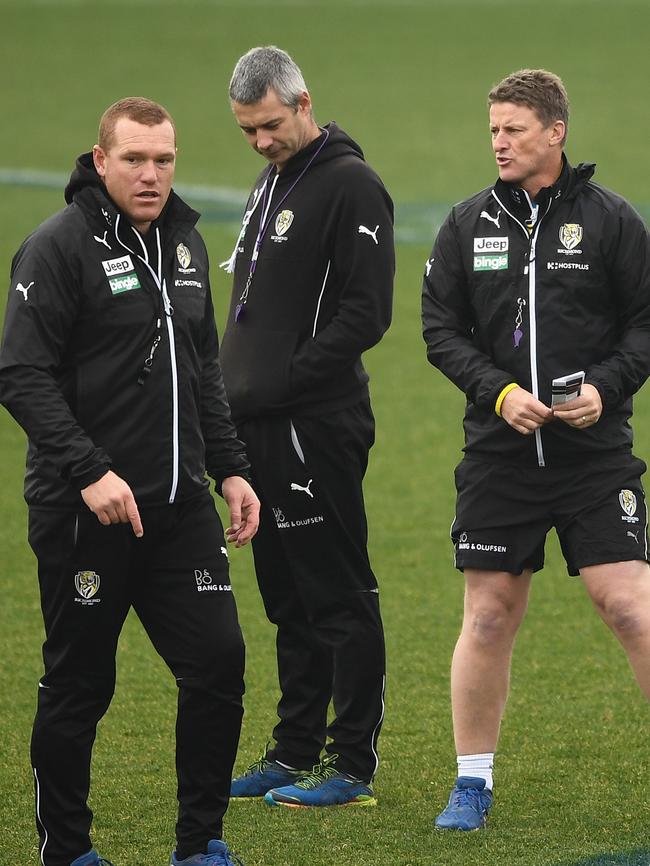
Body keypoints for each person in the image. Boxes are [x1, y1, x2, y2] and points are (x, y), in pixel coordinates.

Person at [0, 97, 259, 866]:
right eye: (135, 159)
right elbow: (21, 374)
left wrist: (233, 468)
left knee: (218, 663)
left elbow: (202, 370)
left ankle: (200, 844)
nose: (151, 175)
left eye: (164, 160)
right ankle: (67, 851)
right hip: (89, 514)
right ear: (101, 158)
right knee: (80, 684)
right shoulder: (57, 248)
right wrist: (90, 472)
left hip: (179, 511)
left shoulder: (183, 244)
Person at [422, 68, 650, 830]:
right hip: (499, 456)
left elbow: (644, 327)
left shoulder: (612, 221)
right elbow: (440, 331)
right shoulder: (465, 225)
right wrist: (496, 392)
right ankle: (472, 784)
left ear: (555, 132)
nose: (500, 142)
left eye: (514, 129)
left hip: (595, 457)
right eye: (493, 130)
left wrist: (605, 391)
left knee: (630, 609)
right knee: (488, 616)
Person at [219, 46, 394, 808]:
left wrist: (283, 384)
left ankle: (351, 764)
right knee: (287, 597)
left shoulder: (351, 184)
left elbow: (366, 313)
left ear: (301, 102)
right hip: (258, 428)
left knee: (337, 593)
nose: (259, 141)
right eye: (247, 131)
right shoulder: (270, 183)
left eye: (268, 125)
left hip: (312, 426)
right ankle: (293, 751)